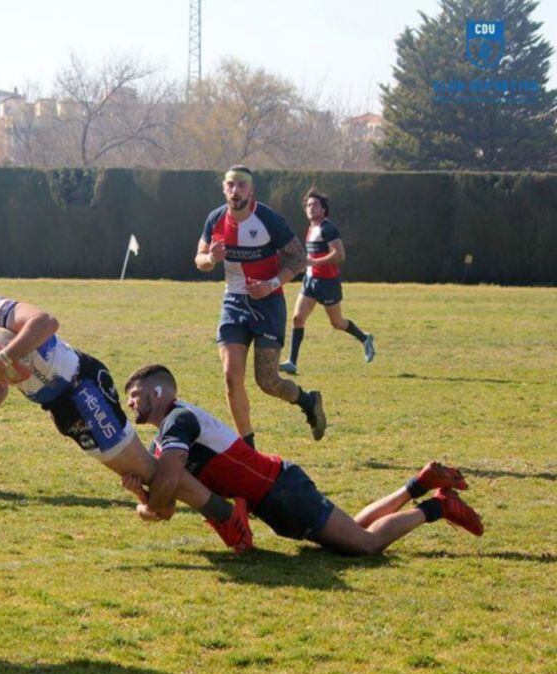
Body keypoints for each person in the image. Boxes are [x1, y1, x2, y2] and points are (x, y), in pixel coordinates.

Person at [0, 280, 252, 551]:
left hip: (82, 390)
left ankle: (227, 517)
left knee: (148, 471)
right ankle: (206, 508)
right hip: (62, 407)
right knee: (146, 474)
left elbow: (46, 322)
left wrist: (7, 353)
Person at [122, 364, 484, 555]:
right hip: (278, 494)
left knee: (366, 545)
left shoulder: (178, 422)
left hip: (281, 493)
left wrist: (153, 495)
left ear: (158, 391)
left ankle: (437, 507)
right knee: (354, 531)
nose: (131, 403)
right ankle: (418, 485)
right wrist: (144, 496)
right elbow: (164, 509)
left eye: (136, 394)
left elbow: (168, 489)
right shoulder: (167, 437)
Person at [195, 165, 325, 448]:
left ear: (251, 190)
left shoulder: (268, 219)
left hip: (268, 302)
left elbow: (298, 258)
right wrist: (211, 259)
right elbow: (199, 259)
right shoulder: (215, 219)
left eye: (242, 185)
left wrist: (273, 284)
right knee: (231, 377)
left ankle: (308, 401)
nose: (235, 190)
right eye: (230, 184)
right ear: (224, 188)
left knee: (267, 381)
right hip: (234, 302)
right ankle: (247, 448)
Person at [280, 188, 375, 375]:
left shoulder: (327, 228)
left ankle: (365, 338)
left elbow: (339, 255)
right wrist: (304, 264)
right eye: (308, 205)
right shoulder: (311, 228)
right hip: (310, 281)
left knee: (337, 323)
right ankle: (292, 362)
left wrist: (315, 262)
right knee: (297, 319)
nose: (310, 208)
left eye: (315, 205)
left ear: (323, 210)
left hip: (328, 283)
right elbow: (312, 255)